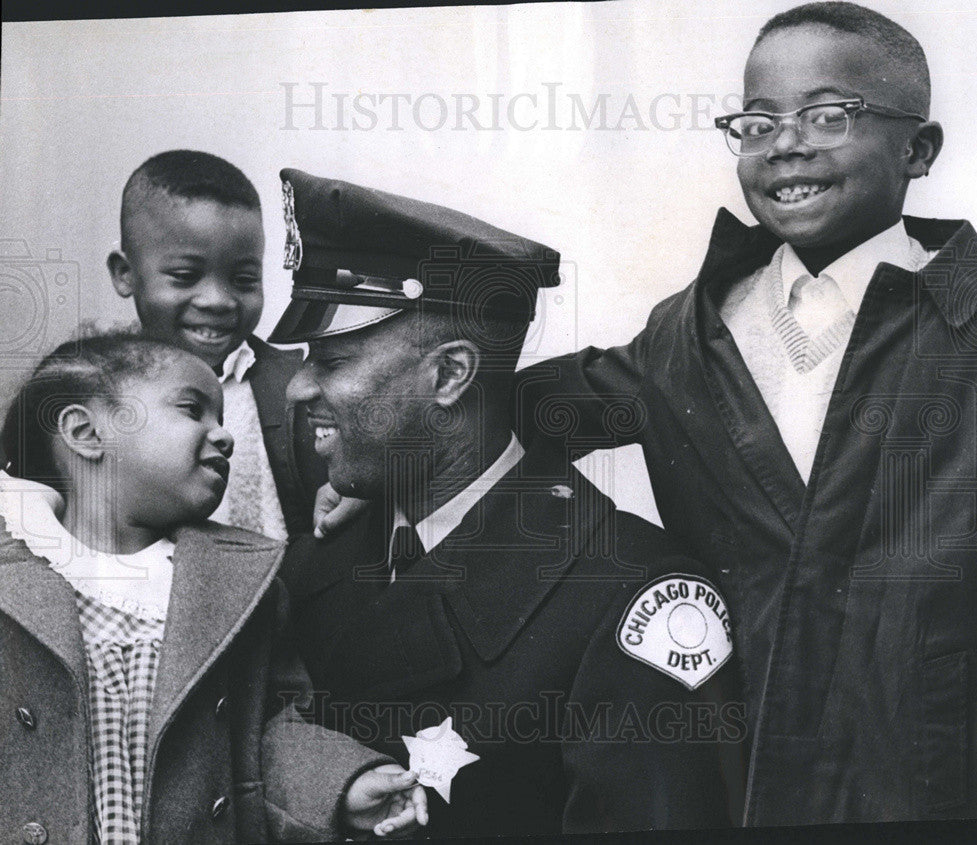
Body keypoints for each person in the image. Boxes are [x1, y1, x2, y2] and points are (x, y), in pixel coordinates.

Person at [509, 0, 977, 825]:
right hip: (730, 777)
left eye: (828, 114)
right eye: (757, 121)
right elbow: (526, 414)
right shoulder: (690, 331)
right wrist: (376, 465)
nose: (786, 144)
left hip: (928, 778)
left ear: (918, 148)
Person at [271, 169, 745, 837]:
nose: (296, 390)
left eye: (333, 361)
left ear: (450, 375)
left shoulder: (631, 602)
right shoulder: (323, 557)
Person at [0, 333, 428, 842]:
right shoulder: (14, 569)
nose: (224, 436)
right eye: (191, 409)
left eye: (221, 418)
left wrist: (344, 783)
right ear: (86, 433)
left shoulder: (243, 585)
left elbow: (267, 734)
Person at [106, 150, 327, 538]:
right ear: (125, 274)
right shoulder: (96, 387)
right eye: (186, 275)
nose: (218, 301)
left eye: (243, 281)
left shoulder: (300, 386)